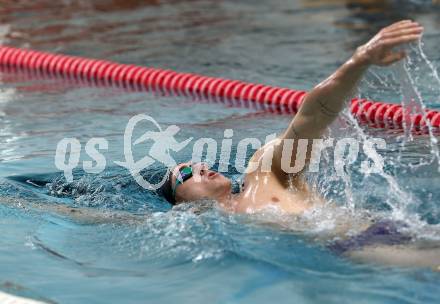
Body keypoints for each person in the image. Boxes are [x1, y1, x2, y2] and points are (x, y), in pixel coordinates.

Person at [159, 20, 440, 269]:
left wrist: (359, 61)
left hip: (372, 238)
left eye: (199, 164)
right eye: (187, 173)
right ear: (180, 203)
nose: (202, 168)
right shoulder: (207, 224)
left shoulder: (263, 173)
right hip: (359, 248)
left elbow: (312, 116)